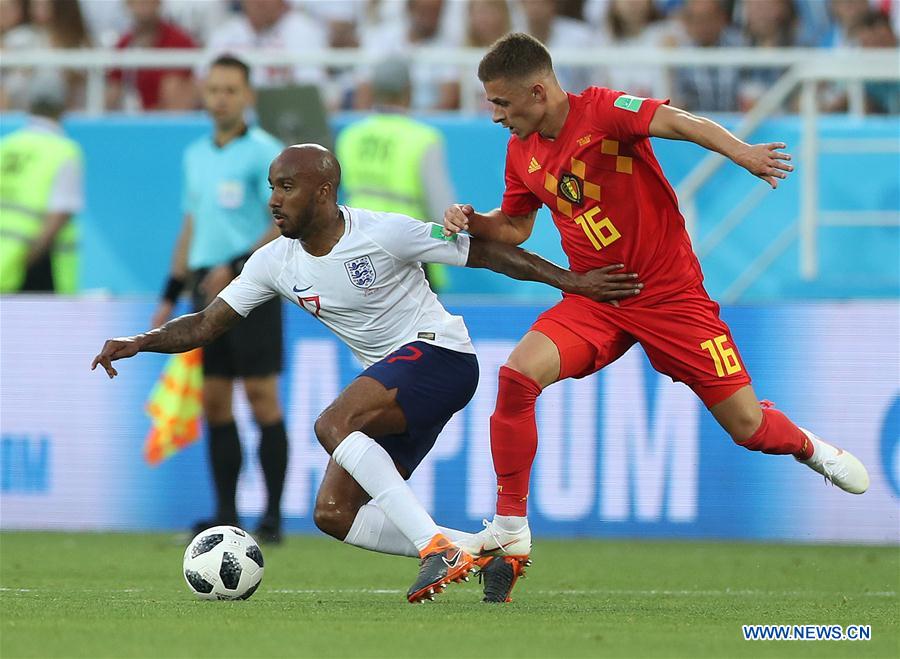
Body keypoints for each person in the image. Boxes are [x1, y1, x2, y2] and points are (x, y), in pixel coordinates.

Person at [92, 144, 642, 603]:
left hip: (442, 355)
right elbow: (208, 325)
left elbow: (488, 255)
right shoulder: (273, 261)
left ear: (324, 192)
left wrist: (575, 283)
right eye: (271, 186)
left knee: (333, 423)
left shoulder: (384, 233)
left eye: (286, 187)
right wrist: (140, 341)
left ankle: (436, 548)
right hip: (398, 380)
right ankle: (482, 550)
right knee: (333, 514)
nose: (274, 199)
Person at [442, 32, 871, 603]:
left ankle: (812, 449)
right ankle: (512, 528)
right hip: (598, 297)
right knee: (517, 377)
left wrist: (741, 152)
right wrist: (474, 219)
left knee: (748, 428)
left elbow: (677, 122)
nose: (494, 115)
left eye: (501, 102)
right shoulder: (522, 150)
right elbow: (516, 227)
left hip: (671, 299)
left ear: (539, 91)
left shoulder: (602, 111)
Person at [153, 55, 287, 543]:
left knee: (260, 396)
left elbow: (281, 223)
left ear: (248, 95)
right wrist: (170, 292)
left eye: (231, 89)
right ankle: (226, 511)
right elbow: (191, 225)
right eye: (214, 90)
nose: (221, 99)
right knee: (214, 401)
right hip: (204, 293)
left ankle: (271, 516)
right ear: (204, 95)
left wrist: (233, 266)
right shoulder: (195, 155)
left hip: (252, 288)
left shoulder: (266, 154)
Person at [336, 57, 456, 292]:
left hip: (357, 241)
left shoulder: (350, 135)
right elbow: (441, 206)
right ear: (408, 90)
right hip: (408, 245)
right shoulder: (423, 138)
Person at [0, 72, 83, 294]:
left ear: (29, 103)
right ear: (64, 105)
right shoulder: (63, 151)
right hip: (37, 265)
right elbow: (58, 217)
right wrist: (24, 264)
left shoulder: (6, 146)